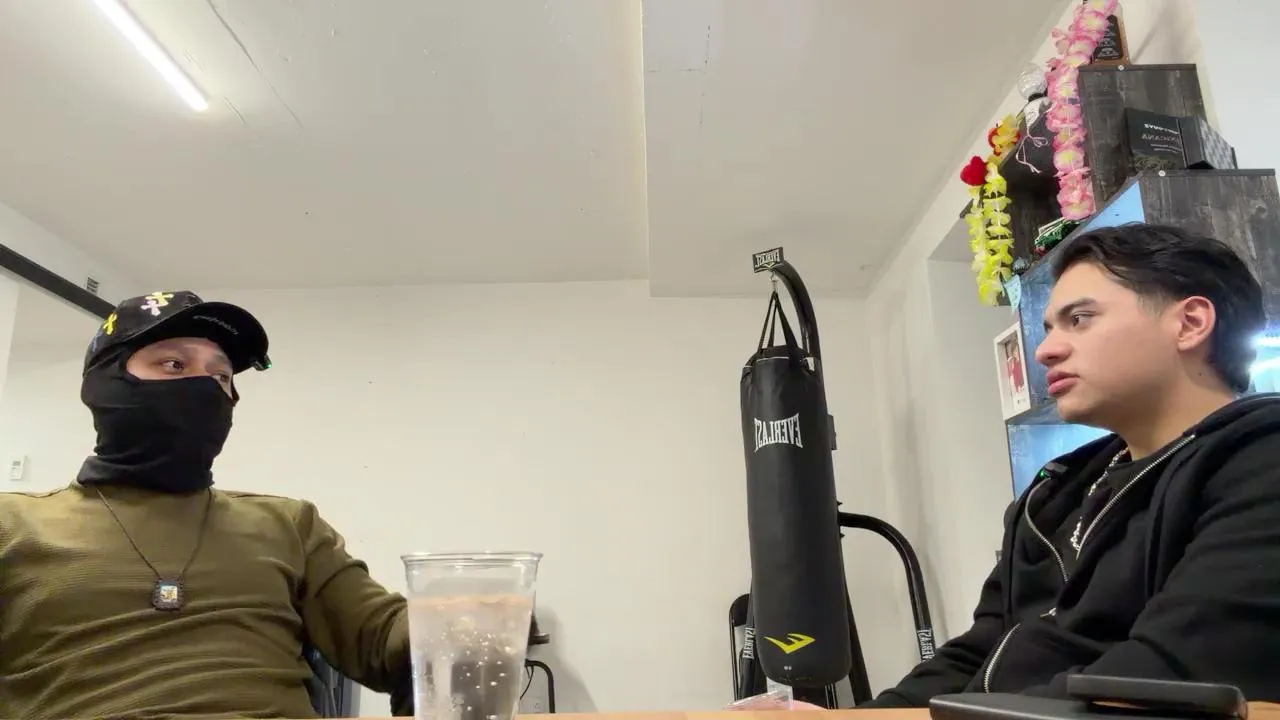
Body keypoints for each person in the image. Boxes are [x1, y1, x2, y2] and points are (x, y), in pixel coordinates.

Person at [860, 223, 1280, 706]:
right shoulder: (1052, 494)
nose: (1045, 351)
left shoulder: (1260, 459)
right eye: (1049, 328)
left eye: (1080, 319)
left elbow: (1169, 676)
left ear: (1189, 323)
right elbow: (977, 654)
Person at [0, 291, 414, 719]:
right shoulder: (13, 524)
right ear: (106, 382)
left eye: (221, 376)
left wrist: (456, 615)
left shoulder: (290, 524)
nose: (204, 387)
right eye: (173, 364)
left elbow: (389, 637)